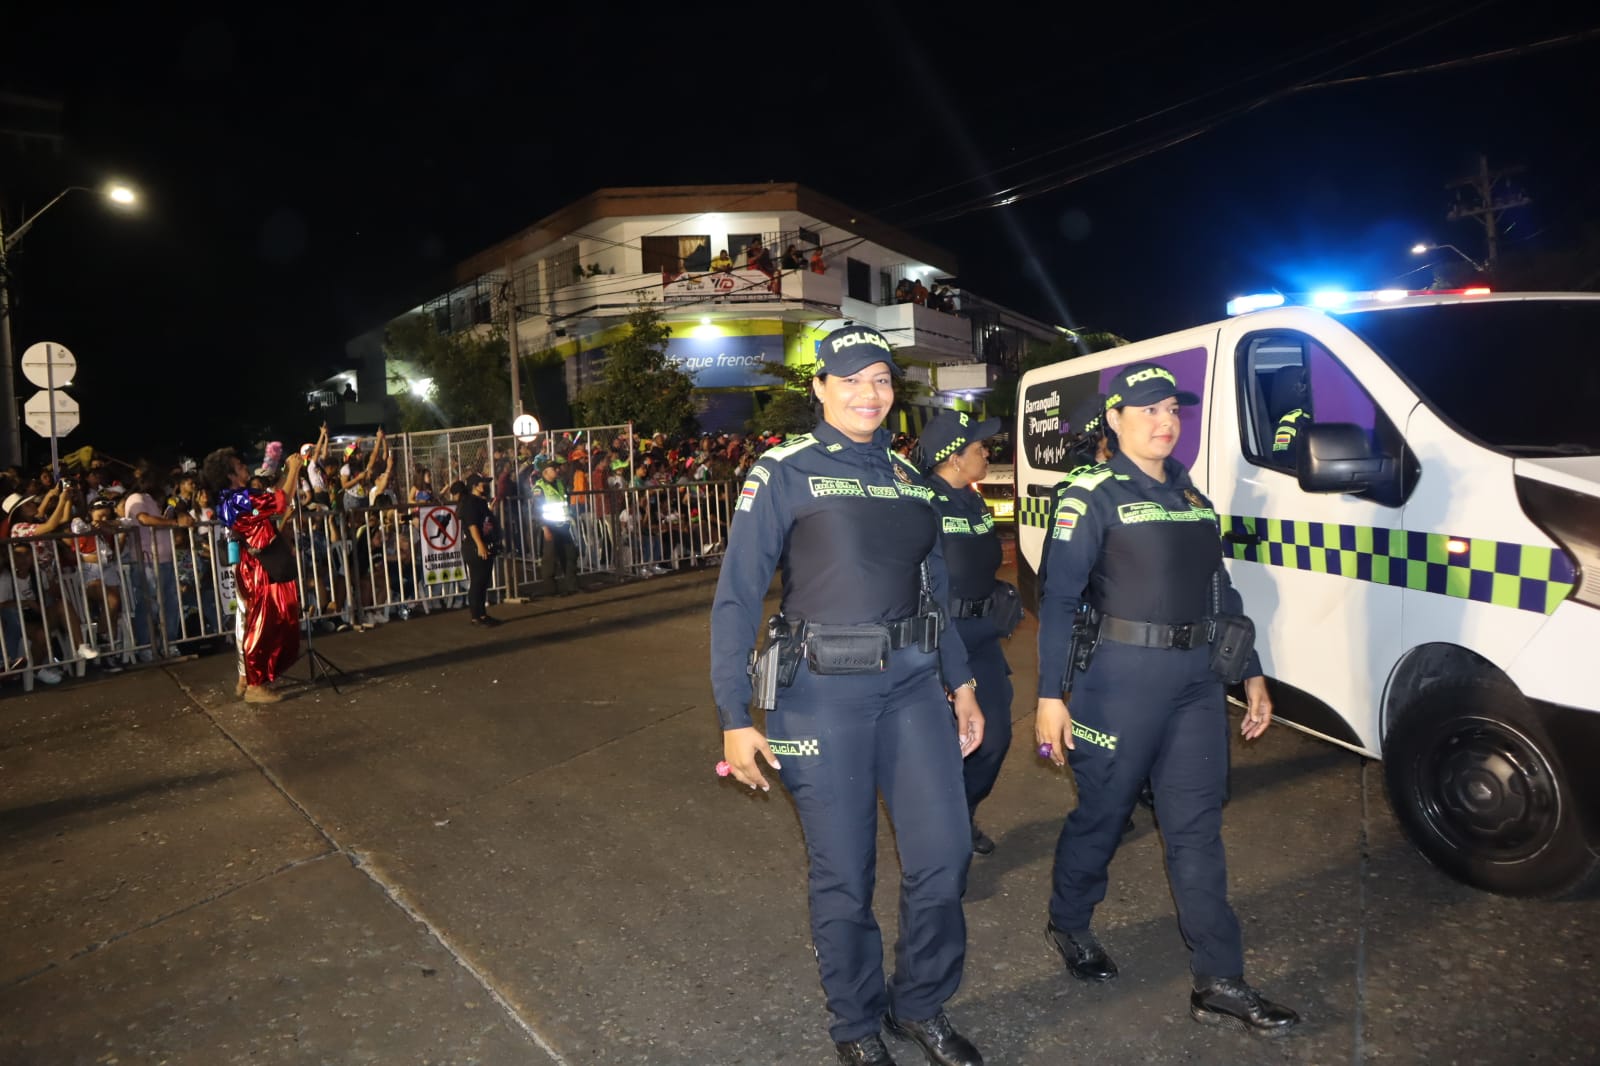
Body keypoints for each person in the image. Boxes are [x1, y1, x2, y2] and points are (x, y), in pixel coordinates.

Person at [711, 324, 987, 1066]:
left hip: (912, 689)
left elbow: (936, 590)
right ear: (820, 389)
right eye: (851, 379)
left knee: (945, 853)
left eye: (882, 380)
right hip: (820, 695)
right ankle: (856, 1024)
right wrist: (735, 716)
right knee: (845, 870)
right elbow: (737, 598)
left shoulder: (907, 479)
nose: (869, 393)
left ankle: (919, 1003)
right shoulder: (784, 471)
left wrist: (958, 681)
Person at [1033, 361, 1298, 1036]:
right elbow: (1060, 599)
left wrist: (1251, 671)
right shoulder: (1090, 493)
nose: (1164, 421)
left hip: (1196, 683)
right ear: (1115, 420)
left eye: (1173, 411)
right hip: (1118, 681)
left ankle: (1220, 978)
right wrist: (1050, 695)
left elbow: (1222, 592)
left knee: (1197, 828)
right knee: (1104, 812)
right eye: (1148, 410)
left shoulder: (1192, 498)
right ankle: (1069, 922)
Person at [915, 409, 1014, 859]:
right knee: (944, 747)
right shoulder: (923, 504)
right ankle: (942, 830)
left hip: (983, 636)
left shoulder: (973, 502)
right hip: (941, 641)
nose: (986, 453)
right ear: (953, 458)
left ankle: (963, 810)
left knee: (993, 742)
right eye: (978, 447)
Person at [204, 445, 303, 704]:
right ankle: (254, 685)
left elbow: (271, 499)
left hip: (256, 564)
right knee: (262, 624)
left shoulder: (236, 497)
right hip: (259, 568)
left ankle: (247, 677)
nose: (245, 468)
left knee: (256, 622)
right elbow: (281, 502)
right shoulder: (238, 499)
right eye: (239, 466)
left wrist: (287, 471)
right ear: (229, 474)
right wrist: (294, 470)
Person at [457, 473, 500, 626]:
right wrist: (480, 544)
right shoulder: (470, 502)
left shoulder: (479, 502)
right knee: (477, 582)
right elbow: (472, 525)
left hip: (483, 545)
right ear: (475, 485)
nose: (485, 485)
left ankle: (482, 614)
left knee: (483, 582)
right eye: (482, 483)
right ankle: (476, 616)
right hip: (474, 547)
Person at [533, 457, 579, 595]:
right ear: (546, 471)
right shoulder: (539, 487)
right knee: (550, 560)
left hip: (563, 525)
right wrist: (545, 528)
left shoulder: (559, 483)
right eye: (554, 468)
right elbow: (538, 510)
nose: (557, 470)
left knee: (570, 555)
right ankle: (550, 590)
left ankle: (572, 586)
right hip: (550, 527)